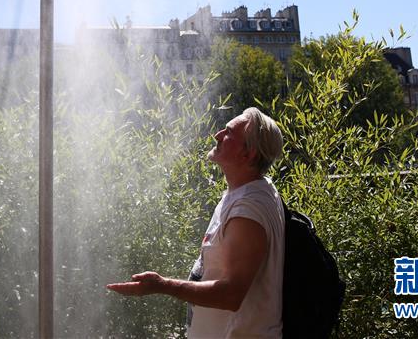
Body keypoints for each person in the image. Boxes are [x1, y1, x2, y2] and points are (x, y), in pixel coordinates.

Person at [107, 107, 285, 338]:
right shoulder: (248, 191)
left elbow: (232, 294)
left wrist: (162, 285)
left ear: (248, 154)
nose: (218, 135)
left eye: (228, 132)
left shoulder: (248, 211)